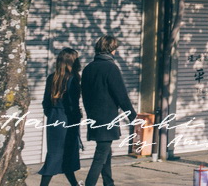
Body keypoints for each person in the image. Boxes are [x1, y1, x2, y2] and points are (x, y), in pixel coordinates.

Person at [81, 35, 137, 186]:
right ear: (111, 50)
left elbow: (84, 95)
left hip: (94, 116)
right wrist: (133, 116)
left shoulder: (88, 69)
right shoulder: (111, 68)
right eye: (115, 49)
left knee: (106, 152)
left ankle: (108, 182)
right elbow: (121, 96)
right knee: (100, 156)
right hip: (107, 118)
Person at [37, 48, 82, 186]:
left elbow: (45, 102)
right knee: (61, 155)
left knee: (57, 153)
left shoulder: (52, 78)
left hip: (54, 118)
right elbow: (72, 104)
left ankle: (74, 183)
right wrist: (77, 117)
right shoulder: (73, 79)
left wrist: (51, 114)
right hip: (68, 119)